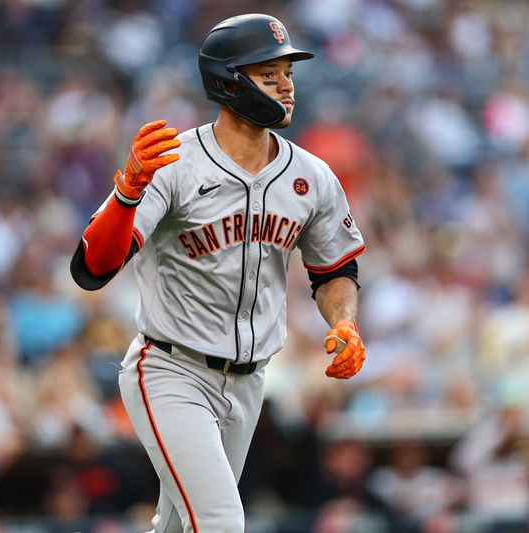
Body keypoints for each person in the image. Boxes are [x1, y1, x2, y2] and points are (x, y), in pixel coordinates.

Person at [70, 13, 367, 533]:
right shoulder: (175, 162)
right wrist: (127, 193)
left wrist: (344, 322)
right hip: (171, 369)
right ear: (228, 80)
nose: (286, 85)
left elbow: (335, 268)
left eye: (288, 73)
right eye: (268, 73)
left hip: (251, 382)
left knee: (178, 525)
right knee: (221, 522)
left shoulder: (311, 176)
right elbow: (92, 268)